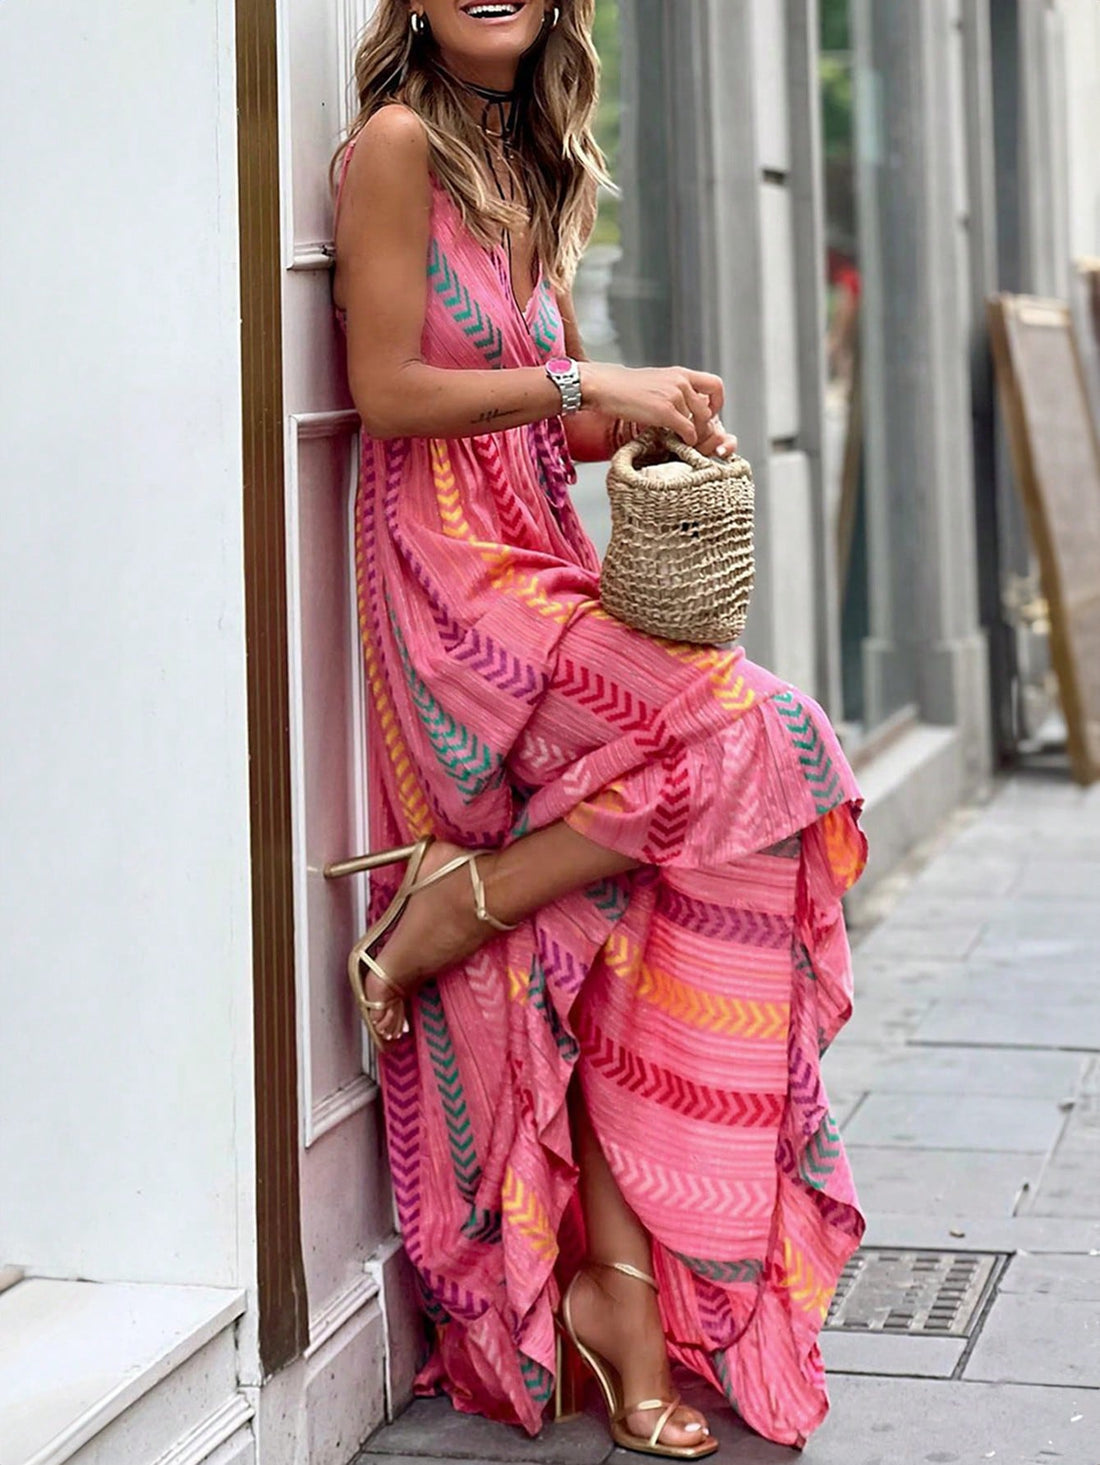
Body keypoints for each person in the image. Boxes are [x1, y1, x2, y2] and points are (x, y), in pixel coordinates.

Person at [329, 1, 866, 1454]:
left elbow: (530, 417)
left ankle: (618, 1300)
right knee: (760, 733)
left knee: (648, 882)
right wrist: (587, 379)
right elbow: (389, 394)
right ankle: (468, 900)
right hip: (452, 586)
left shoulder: (524, 161)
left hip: (540, 547)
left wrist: (641, 409)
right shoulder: (393, 146)